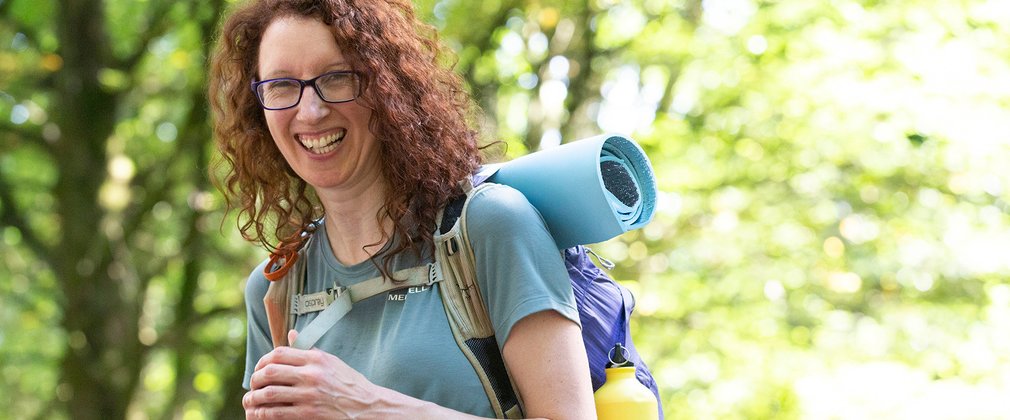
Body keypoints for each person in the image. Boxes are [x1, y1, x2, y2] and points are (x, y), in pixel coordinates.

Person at [208, 0, 595, 418]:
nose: (311, 111)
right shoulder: (276, 289)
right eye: (281, 85)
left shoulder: (490, 226)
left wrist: (366, 405)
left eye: (337, 77)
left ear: (385, 84)